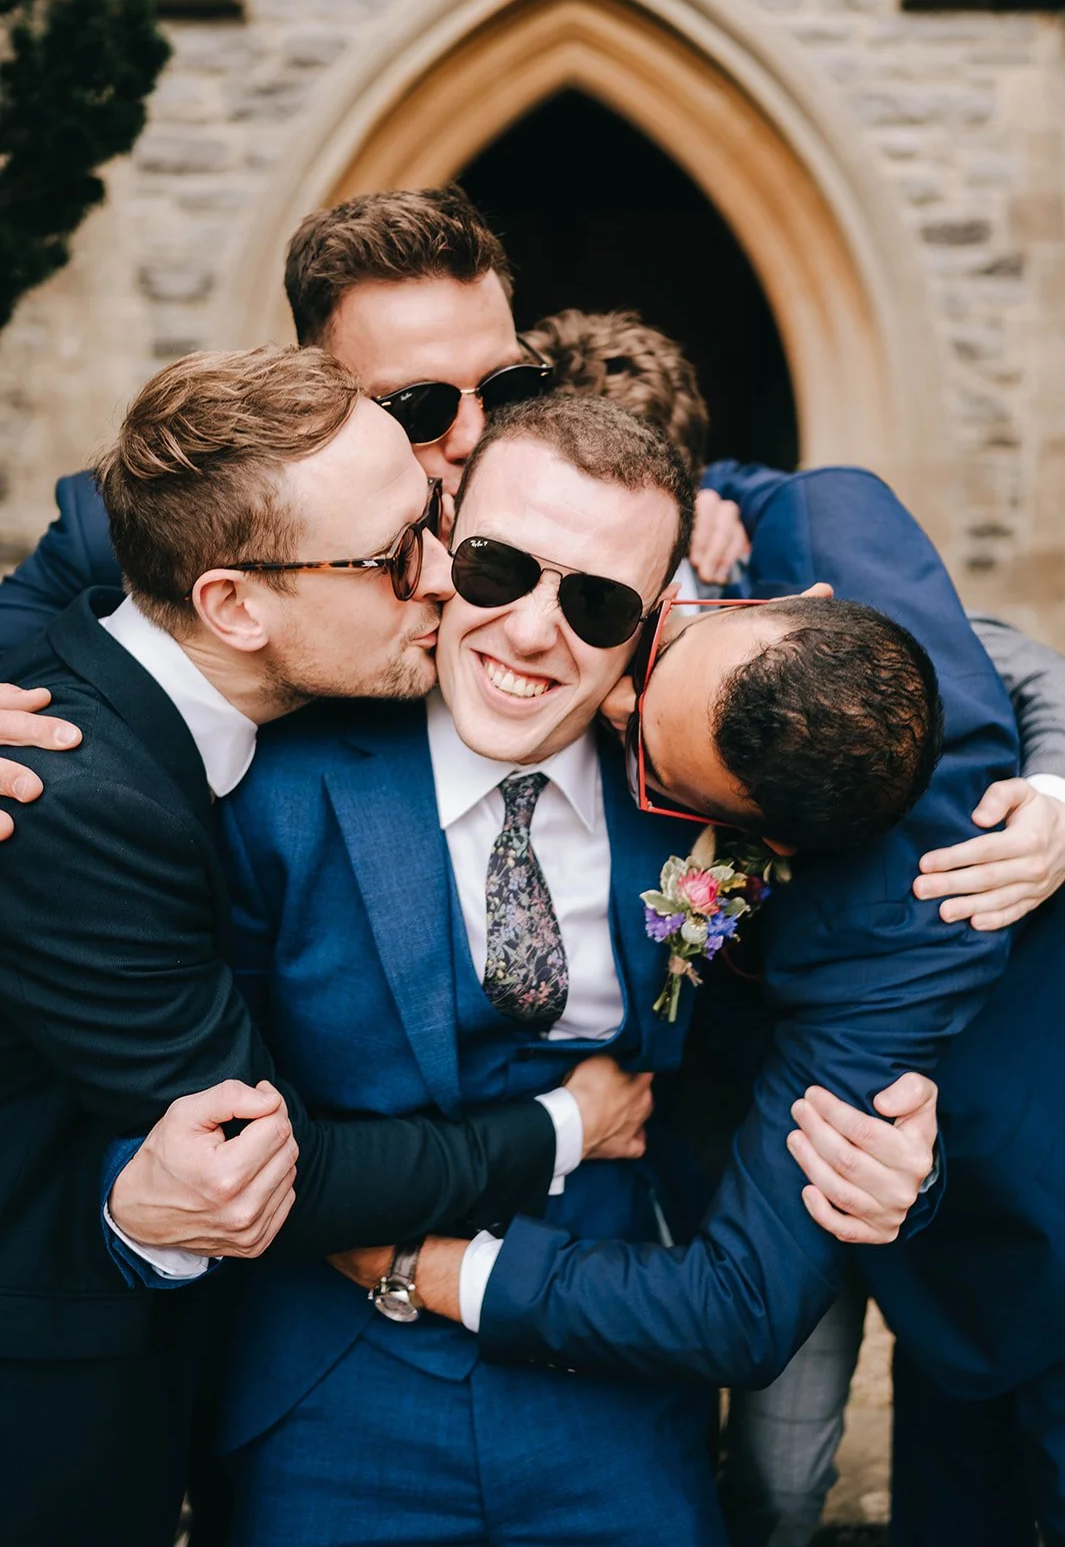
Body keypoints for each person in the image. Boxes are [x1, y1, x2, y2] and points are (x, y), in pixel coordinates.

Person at [181, 391, 982, 1547]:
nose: (533, 632)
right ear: (443, 537)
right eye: (501, 566)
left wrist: (904, 1163)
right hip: (324, 1379)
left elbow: (820, 1030)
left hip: (618, 1378)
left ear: (659, 616)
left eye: (599, 601)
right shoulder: (272, 771)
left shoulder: (722, 779)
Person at [0, 346, 656, 1547]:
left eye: (437, 523)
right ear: (234, 606)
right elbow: (265, 1163)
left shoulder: (102, 692)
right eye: (393, 554)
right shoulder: (70, 800)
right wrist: (572, 1123)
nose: (446, 581)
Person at [531, 303, 1065, 1544]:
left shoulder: (812, 575)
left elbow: (1023, 666)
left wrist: (1053, 796)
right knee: (778, 1483)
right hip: (715, 1131)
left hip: (969, 1159)